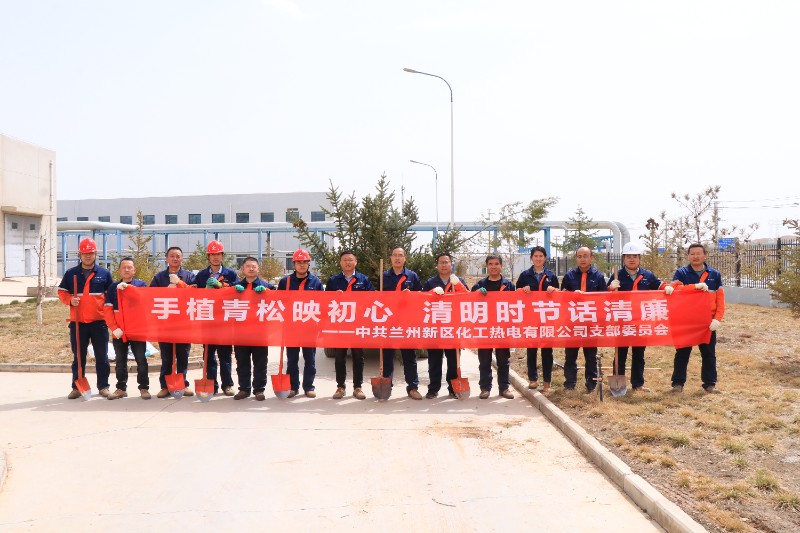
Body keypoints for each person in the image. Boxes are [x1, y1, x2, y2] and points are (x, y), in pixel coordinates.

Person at [607, 242, 672, 393]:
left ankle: (638, 384)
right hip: (623, 321)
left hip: (641, 322)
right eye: (628, 256)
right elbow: (606, 297)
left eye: (635, 256)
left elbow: (659, 284)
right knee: (620, 354)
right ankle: (618, 386)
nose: (631, 259)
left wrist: (666, 287)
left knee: (639, 354)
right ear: (624, 259)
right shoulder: (617, 275)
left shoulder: (647, 275)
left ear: (639, 258)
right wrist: (610, 287)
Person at [57, 238, 114, 399]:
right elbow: (62, 292)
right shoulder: (71, 274)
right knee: (78, 357)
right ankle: (77, 386)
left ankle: (103, 386)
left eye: (91, 253)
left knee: (102, 356)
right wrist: (70, 300)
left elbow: (110, 296)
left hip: (99, 323)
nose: (88, 256)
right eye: (85, 253)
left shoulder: (104, 274)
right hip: (78, 323)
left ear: (95, 254)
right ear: (80, 254)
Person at [669, 243, 725, 394]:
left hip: (707, 322)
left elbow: (720, 300)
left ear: (705, 255)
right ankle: (678, 384)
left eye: (698, 253)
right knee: (682, 353)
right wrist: (695, 286)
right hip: (686, 320)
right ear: (688, 256)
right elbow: (674, 289)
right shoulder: (681, 273)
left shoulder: (715, 275)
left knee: (708, 353)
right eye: (692, 254)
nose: (695, 256)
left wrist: (717, 319)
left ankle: (710, 384)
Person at [326, 250, 374, 400]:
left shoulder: (364, 280)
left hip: (357, 324)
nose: (348, 262)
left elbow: (372, 298)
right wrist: (335, 297)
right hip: (340, 325)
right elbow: (325, 301)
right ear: (341, 263)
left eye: (350, 259)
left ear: (356, 262)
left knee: (358, 356)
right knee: (339, 357)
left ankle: (357, 387)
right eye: (345, 260)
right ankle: (340, 386)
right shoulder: (333, 280)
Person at [193, 240, 238, 396]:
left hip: (224, 320)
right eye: (212, 254)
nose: (215, 257)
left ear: (222, 255)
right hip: (207, 320)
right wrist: (204, 291)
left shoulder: (231, 274)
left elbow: (236, 292)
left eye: (218, 254)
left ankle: (227, 385)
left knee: (225, 355)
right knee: (209, 355)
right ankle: (212, 384)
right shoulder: (201, 275)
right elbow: (195, 296)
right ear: (208, 257)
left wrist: (222, 287)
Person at [150, 246, 196, 398]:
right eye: (172, 256)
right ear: (166, 259)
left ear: (182, 258)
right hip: (165, 324)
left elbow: (194, 294)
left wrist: (180, 283)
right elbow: (151, 296)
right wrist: (166, 291)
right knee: (167, 357)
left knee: (183, 355)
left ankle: (183, 384)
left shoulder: (189, 276)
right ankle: (165, 386)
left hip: (184, 323)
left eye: (178, 256)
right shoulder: (159, 277)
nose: (175, 258)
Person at [277, 249, 324, 398]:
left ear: (309, 264)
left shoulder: (316, 282)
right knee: (292, 360)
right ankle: (293, 387)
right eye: (299, 262)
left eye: (305, 262)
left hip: (310, 328)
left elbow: (322, 305)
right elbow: (278, 303)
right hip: (291, 329)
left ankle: (308, 387)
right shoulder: (285, 282)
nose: (302, 265)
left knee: (310, 359)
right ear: (294, 264)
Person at [421, 252, 468, 399]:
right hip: (435, 327)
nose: (444, 265)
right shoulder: (431, 282)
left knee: (453, 360)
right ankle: (433, 388)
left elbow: (467, 298)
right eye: (441, 262)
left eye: (446, 262)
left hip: (453, 327)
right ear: (437, 265)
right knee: (434, 360)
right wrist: (432, 292)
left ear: (451, 265)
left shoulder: (458, 281)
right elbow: (422, 300)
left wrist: (458, 285)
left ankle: (452, 388)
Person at [560, 246, 607, 392]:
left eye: (585, 256)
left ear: (591, 258)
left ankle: (591, 384)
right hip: (573, 322)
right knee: (570, 355)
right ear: (576, 258)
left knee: (591, 355)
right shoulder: (569, 276)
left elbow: (604, 299)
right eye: (579, 256)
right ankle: (570, 383)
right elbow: (562, 296)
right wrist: (572, 294)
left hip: (591, 322)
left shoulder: (598, 277)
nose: (582, 259)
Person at [104, 257, 150, 399]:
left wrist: (129, 289)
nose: (126, 270)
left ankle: (144, 388)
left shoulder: (141, 285)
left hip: (137, 329)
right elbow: (107, 310)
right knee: (120, 361)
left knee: (141, 360)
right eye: (124, 267)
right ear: (119, 271)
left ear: (134, 270)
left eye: (129, 267)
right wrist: (113, 327)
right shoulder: (112, 288)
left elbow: (145, 301)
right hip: (119, 331)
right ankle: (121, 388)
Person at [381, 246, 424, 400]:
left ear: (405, 258)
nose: (397, 258)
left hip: (407, 321)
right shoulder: (384, 276)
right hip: (389, 321)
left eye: (400, 255)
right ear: (391, 258)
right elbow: (377, 298)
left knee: (409, 356)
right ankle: (386, 386)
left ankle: (412, 387)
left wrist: (411, 295)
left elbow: (421, 296)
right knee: (387, 355)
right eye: (395, 255)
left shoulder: (412, 276)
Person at [515, 246, 559, 392]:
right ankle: (533, 379)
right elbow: (516, 293)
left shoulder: (551, 276)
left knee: (547, 350)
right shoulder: (524, 275)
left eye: (541, 256)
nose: (538, 259)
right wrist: (523, 290)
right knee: (531, 349)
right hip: (531, 318)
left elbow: (559, 295)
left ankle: (547, 381)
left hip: (547, 318)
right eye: (535, 256)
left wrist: (554, 290)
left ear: (545, 258)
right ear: (531, 258)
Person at [472, 254, 516, 399]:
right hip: (484, 328)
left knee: (503, 360)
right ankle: (485, 388)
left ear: (501, 266)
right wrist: (476, 294)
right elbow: (469, 302)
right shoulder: (479, 285)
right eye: (490, 264)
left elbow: (515, 305)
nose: (493, 267)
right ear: (487, 266)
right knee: (484, 360)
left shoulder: (509, 285)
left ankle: (504, 388)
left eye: (496, 264)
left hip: (503, 328)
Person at [232, 257, 275, 401]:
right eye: (248, 266)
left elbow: (279, 299)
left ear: (258, 269)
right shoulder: (235, 287)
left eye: (254, 266)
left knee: (260, 362)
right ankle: (244, 389)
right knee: (242, 362)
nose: (251, 269)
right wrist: (231, 291)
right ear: (243, 269)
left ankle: (259, 389)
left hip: (260, 332)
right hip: (240, 332)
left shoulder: (267, 286)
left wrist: (268, 292)